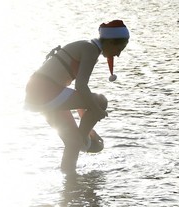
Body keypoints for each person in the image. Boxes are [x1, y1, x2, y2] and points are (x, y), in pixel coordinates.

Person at [24, 20, 130, 174]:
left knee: (72, 143)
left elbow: (79, 94)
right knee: (101, 101)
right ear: (110, 42)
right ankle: (83, 140)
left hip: (37, 92)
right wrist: (97, 110)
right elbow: (81, 87)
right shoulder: (90, 50)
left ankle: (70, 181)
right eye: (119, 49)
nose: (118, 54)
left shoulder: (88, 46)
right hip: (46, 90)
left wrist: (90, 129)